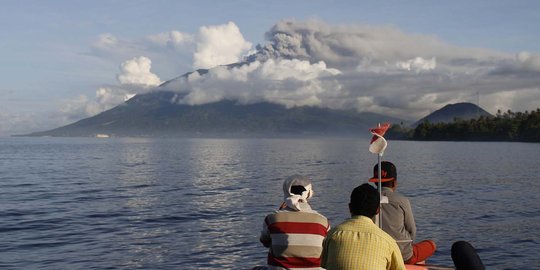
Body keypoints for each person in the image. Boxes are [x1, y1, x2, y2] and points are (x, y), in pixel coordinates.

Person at [321, 183, 405, 270]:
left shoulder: (332, 235)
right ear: (378, 210)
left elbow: (324, 265)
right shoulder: (388, 242)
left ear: (350, 208)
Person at [368, 161, 436, 264]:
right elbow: (412, 230)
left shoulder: (367, 200)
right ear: (395, 182)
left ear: (375, 182)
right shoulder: (402, 200)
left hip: (375, 253)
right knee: (431, 245)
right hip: (403, 255)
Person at [259, 175, 330, 269]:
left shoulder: (272, 218)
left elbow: (265, 242)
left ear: (286, 192)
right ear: (309, 194)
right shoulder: (323, 221)